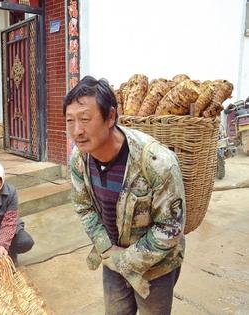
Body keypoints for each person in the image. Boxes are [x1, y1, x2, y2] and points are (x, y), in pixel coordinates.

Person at [64, 76, 186, 315]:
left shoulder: (157, 162)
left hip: (155, 266)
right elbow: (84, 207)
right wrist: (107, 249)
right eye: (70, 120)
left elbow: (171, 226)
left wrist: (128, 259)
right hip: (112, 255)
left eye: (85, 119)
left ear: (110, 117)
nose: (77, 131)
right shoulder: (79, 159)